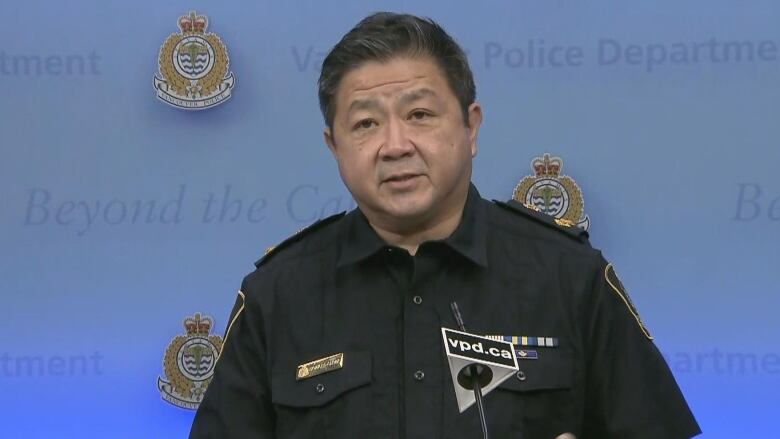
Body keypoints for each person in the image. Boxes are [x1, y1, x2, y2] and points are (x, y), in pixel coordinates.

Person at [189, 12, 701, 439]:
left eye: (419, 114)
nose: (394, 145)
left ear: (470, 127)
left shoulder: (569, 275)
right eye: (365, 123)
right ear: (334, 146)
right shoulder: (278, 294)